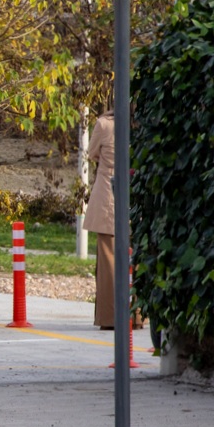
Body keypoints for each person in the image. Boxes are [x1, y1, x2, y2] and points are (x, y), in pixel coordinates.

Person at [84, 112, 118, 329]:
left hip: (108, 192)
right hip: (135, 193)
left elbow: (92, 153)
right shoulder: (145, 124)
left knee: (107, 261)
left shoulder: (104, 124)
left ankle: (109, 316)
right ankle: (136, 316)